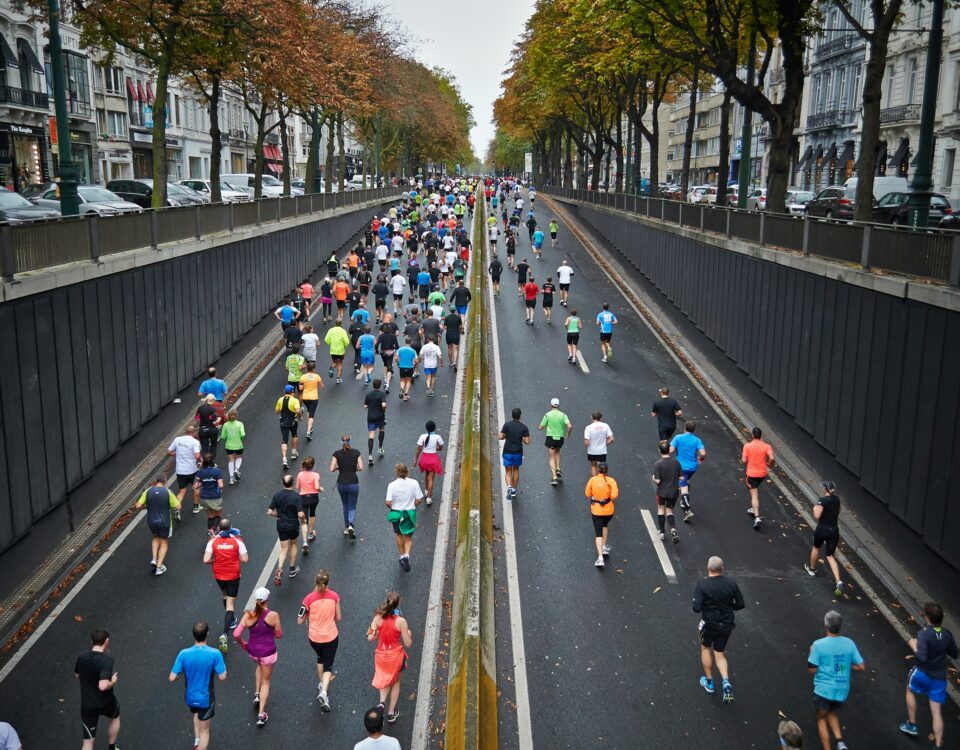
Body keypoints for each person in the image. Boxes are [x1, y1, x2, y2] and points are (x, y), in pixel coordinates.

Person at [899, 602, 957, 748]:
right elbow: (954, 653)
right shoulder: (947, 634)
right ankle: (937, 746)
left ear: (927, 617)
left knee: (909, 689)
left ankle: (912, 724)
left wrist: (913, 645)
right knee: (936, 712)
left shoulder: (924, 634)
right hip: (939, 678)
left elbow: (922, 657)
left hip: (922, 673)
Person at [808, 611, 865, 750]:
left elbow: (812, 669)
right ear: (840, 626)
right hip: (841, 692)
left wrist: (811, 653)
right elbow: (861, 666)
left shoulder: (817, 645)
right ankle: (840, 742)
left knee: (822, 719)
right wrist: (845, 664)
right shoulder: (849, 643)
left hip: (823, 691)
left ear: (825, 625)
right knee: (832, 711)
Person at [692, 556, 744, 703]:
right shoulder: (732, 584)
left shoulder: (702, 585)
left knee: (705, 648)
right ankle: (726, 681)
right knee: (719, 653)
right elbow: (740, 604)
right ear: (722, 568)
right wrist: (728, 608)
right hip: (726, 624)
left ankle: (709, 683)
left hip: (709, 624)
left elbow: (696, 608)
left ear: (708, 567)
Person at [169, 622, 227, 750]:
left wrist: (183, 670)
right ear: (207, 634)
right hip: (206, 699)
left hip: (190, 698)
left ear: (194, 635)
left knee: (196, 714)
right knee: (205, 731)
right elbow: (222, 677)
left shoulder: (183, 653)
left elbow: (172, 677)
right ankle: (200, 745)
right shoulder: (215, 653)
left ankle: (196, 742)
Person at [232, 588, 281, 726]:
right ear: (267, 600)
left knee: (259, 665)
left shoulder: (248, 615)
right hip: (268, 653)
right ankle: (261, 714)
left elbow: (236, 634)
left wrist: (243, 644)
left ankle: (257, 694)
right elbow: (279, 635)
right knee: (266, 681)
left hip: (253, 652)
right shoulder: (273, 615)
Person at [367, 592, 414, 724]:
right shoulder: (401, 622)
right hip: (395, 657)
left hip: (381, 656)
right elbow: (408, 643)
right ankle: (391, 712)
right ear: (398, 605)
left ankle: (382, 702)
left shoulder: (377, 618)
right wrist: (408, 633)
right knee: (395, 681)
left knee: (384, 678)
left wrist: (375, 633)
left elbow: (370, 636)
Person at [299, 570, 342, 712]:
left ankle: (321, 684)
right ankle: (324, 692)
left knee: (320, 659)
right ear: (328, 583)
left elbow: (299, 620)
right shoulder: (334, 597)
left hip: (314, 638)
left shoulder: (308, 599)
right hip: (330, 637)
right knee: (328, 666)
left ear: (315, 583)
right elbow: (339, 617)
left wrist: (307, 617)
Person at [204, 517, 248, 653]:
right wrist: (234, 557)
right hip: (233, 575)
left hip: (219, 574)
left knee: (224, 595)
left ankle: (232, 619)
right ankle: (224, 633)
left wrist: (215, 561)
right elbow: (245, 559)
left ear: (219, 529)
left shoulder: (212, 541)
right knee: (230, 604)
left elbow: (205, 560)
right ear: (231, 527)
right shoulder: (237, 541)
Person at [76, 628, 120, 750]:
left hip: (88, 704)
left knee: (88, 742)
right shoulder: (107, 660)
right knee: (115, 716)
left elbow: (77, 675)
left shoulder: (82, 657)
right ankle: (112, 747)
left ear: (92, 641)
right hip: (106, 702)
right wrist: (113, 681)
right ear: (106, 641)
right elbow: (103, 685)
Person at [805, 481, 844, 597]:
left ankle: (812, 569)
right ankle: (838, 581)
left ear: (826, 490)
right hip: (834, 531)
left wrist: (814, 508)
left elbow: (817, 515)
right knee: (830, 556)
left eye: (823, 488)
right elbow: (838, 511)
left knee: (816, 547)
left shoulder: (822, 500)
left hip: (822, 530)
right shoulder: (837, 500)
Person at [135, 477, 180, 575]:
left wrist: (147, 507)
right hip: (165, 521)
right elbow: (178, 506)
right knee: (164, 542)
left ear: (155, 482)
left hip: (151, 521)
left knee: (155, 537)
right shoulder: (167, 492)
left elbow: (138, 506)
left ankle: (154, 559)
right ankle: (159, 567)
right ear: (165, 482)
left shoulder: (148, 491)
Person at [385, 463, 424, 572]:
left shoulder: (392, 485)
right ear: (407, 472)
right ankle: (407, 555)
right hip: (409, 513)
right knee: (408, 536)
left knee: (398, 534)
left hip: (397, 513)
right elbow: (419, 499)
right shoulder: (414, 483)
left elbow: (388, 502)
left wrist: (393, 506)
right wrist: (413, 506)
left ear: (396, 472)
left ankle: (402, 556)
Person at [268, 475, 305, 585]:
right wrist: (303, 519)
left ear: (282, 482)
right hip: (293, 525)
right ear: (293, 483)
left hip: (281, 525)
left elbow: (270, 512)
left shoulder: (277, 495)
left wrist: (278, 515)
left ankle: (279, 568)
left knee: (284, 548)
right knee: (293, 544)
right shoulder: (296, 496)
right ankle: (292, 569)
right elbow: (300, 513)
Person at [670, 421, 706, 522]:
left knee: (684, 488)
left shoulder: (678, 437)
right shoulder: (697, 440)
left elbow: (671, 450)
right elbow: (703, 453)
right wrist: (700, 458)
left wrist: (662, 449)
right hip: (692, 467)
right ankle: (683, 500)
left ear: (685, 428)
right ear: (693, 430)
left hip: (681, 467)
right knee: (686, 482)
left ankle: (687, 510)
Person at [585, 463, 619, 567]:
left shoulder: (593, 480)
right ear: (607, 470)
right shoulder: (611, 481)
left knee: (598, 533)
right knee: (605, 525)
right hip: (608, 511)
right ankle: (604, 547)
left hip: (596, 510)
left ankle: (600, 558)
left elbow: (587, 494)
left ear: (598, 470)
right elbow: (614, 495)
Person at [742, 427, 775, 530]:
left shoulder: (747, 446)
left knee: (754, 495)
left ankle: (756, 517)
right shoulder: (766, 446)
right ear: (761, 436)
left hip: (752, 474)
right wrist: (769, 463)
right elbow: (772, 458)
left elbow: (744, 460)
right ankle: (753, 508)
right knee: (755, 489)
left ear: (752, 435)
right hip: (762, 474)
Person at [331, 435, 363, 538]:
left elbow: (331, 469)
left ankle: (346, 526)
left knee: (345, 504)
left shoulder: (336, 454)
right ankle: (351, 525)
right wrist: (353, 468)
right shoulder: (357, 452)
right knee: (352, 506)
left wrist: (339, 467)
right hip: (353, 482)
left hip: (341, 483)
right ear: (350, 441)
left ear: (341, 442)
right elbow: (361, 468)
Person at [652, 441, 682, 544]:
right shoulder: (676, 462)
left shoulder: (658, 464)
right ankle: (673, 528)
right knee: (669, 511)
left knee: (661, 509)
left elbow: (658, 480)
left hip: (662, 492)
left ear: (659, 450)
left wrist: (653, 478)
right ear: (669, 450)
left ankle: (662, 532)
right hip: (673, 492)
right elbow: (681, 477)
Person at [539, 397, 573, 487]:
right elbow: (569, 426)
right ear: (558, 405)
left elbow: (540, 427)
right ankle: (558, 468)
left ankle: (554, 477)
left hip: (550, 437)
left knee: (551, 457)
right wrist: (567, 434)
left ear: (551, 405)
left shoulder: (547, 415)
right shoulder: (563, 415)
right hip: (560, 437)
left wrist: (543, 427)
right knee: (557, 451)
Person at [168, 425, 202, 517]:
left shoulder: (177, 439)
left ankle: (177, 508)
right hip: (192, 470)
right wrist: (200, 462)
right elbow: (197, 456)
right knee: (196, 487)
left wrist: (178, 454)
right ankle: (196, 506)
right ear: (194, 432)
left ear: (186, 432)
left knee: (182, 490)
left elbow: (169, 451)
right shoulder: (195, 442)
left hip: (180, 471)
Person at [499, 407, 531, 499]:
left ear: (512, 415)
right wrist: (523, 439)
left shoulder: (507, 425)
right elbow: (527, 442)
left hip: (507, 452)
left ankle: (509, 486)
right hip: (518, 452)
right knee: (516, 470)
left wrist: (505, 436)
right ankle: (513, 490)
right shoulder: (524, 427)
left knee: (508, 471)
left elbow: (500, 436)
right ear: (520, 416)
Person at [296, 457, 323, 554]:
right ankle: (311, 534)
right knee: (312, 513)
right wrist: (321, 489)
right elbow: (316, 487)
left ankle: (304, 542)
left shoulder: (300, 474)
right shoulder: (316, 475)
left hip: (303, 498)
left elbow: (297, 487)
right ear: (313, 466)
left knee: (304, 520)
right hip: (314, 498)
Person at [413, 420, 444, 506]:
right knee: (431, 478)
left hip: (424, 459)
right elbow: (440, 448)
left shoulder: (422, 436)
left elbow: (419, 448)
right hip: (433, 459)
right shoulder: (438, 437)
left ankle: (426, 491)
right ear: (434, 428)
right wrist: (436, 448)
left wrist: (415, 459)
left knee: (427, 475)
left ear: (426, 428)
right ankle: (429, 498)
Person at [194, 453, 225, 537]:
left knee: (210, 516)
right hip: (214, 496)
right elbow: (221, 485)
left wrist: (202, 483)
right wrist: (220, 489)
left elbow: (195, 486)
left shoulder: (200, 472)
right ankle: (212, 530)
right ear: (212, 461)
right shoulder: (216, 471)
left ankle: (210, 532)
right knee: (218, 514)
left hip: (204, 497)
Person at [275, 384, 301, 470]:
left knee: (284, 440)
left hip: (283, 422)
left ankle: (284, 459)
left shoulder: (280, 400)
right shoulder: (295, 400)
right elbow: (297, 410)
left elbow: (277, 411)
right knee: (294, 435)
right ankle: (293, 452)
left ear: (285, 392)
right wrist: (300, 416)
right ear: (292, 392)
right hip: (293, 421)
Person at [363, 379, 388, 464]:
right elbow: (384, 404)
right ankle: (380, 448)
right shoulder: (382, 394)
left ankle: (370, 455)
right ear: (380, 385)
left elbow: (365, 406)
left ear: (373, 385)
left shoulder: (369, 394)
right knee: (382, 430)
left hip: (371, 417)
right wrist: (384, 410)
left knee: (371, 435)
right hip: (380, 416)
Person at [582, 411, 614, 476]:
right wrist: (606, 443)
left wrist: (587, 443)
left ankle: (595, 481)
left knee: (593, 466)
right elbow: (612, 439)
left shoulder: (588, 427)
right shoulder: (605, 426)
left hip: (592, 451)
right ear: (600, 418)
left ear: (592, 417)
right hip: (602, 451)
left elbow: (586, 442)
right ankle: (602, 481)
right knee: (602, 467)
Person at [299, 360, 324, 440]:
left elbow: (300, 388)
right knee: (311, 415)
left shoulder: (303, 377)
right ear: (314, 369)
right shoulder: (317, 376)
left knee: (309, 410)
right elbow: (322, 386)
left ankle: (310, 427)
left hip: (305, 398)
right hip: (313, 398)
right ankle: (308, 432)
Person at [219, 410, 245, 485]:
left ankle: (231, 478)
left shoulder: (226, 425)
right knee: (239, 457)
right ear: (236, 416)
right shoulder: (240, 424)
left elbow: (223, 436)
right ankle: (236, 469)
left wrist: (228, 436)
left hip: (228, 445)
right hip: (238, 445)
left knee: (231, 460)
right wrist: (239, 438)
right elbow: (243, 434)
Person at [325, 320, 351, 384]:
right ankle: (338, 378)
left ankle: (331, 368)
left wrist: (331, 343)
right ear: (341, 324)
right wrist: (344, 345)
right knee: (340, 363)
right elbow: (347, 342)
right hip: (340, 350)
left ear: (335, 323)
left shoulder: (330, 330)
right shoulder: (343, 331)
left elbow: (326, 339)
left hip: (333, 349)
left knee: (334, 362)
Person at [395, 337, 418, 401]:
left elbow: (396, 358)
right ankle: (405, 395)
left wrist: (398, 363)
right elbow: (416, 360)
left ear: (405, 342)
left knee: (402, 380)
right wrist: (415, 366)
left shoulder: (400, 349)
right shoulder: (413, 351)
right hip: (410, 367)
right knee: (408, 381)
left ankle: (402, 388)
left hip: (402, 367)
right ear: (410, 342)